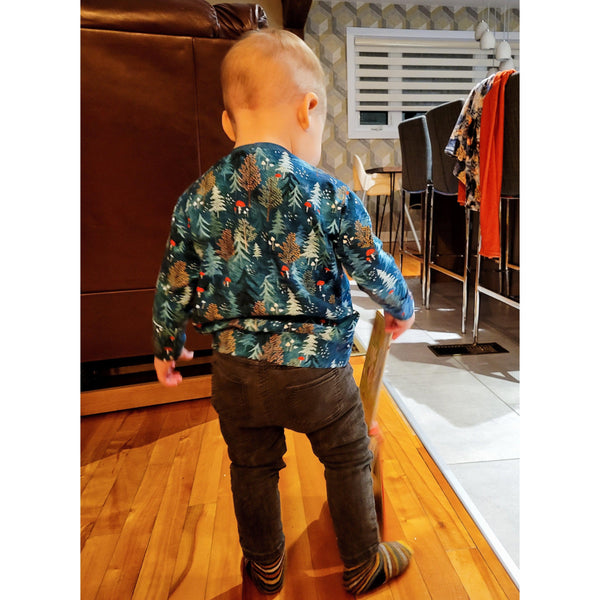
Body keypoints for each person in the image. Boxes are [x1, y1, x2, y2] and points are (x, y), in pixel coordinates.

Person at [152, 28, 415, 596]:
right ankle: (362, 562)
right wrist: (401, 304)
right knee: (347, 454)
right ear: (308, 108)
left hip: (236, 372)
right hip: (316, 371)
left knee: (251, 465)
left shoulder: (195, 199)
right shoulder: (328, 193)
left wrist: (167, 346)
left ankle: (265, 565)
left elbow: (174, 281)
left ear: (228, 123)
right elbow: (370, 262)